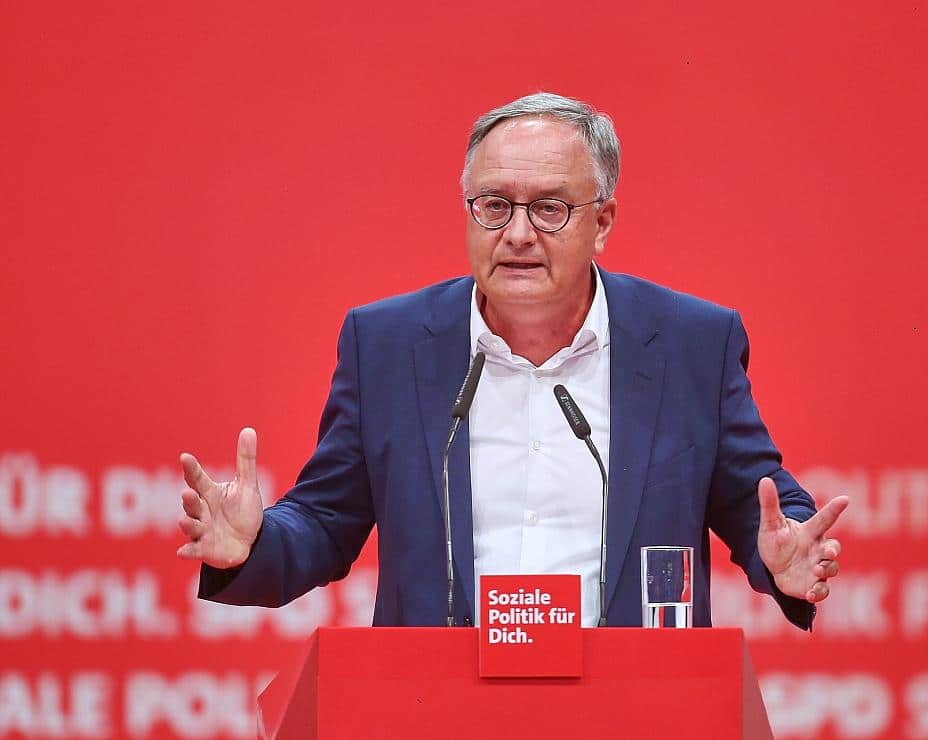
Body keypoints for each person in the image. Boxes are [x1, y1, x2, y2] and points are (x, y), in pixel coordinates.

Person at [176, 92, 848, 629]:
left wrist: (788, 556)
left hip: (635, 709)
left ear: (603, 222)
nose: (518, 234)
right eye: (494, 206)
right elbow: (326, 523)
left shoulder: (690, 343)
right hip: (437, 710)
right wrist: (252, 545)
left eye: (549, 208)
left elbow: (761, 504)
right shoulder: (387, 344)